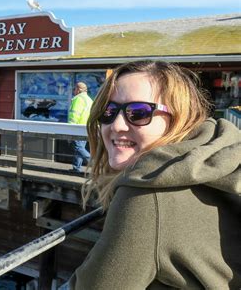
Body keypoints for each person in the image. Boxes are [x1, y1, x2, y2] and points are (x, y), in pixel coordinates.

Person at [69, 60, 240, 289]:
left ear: (178, 118)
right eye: (108, 111)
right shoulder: (219, 161)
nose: (117, 125)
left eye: (138, 112)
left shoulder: (147, 194)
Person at [68, 82, 93, 172]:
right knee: (79, 147)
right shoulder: (89, 100)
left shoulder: (78, 99)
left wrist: (70, 129)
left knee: (78, 147)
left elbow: (74, 115)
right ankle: (76, 168)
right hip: (87, 127)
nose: (74, 91)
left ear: (78, 89)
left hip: (78, 128)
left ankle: (94, 163)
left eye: (75, 89)